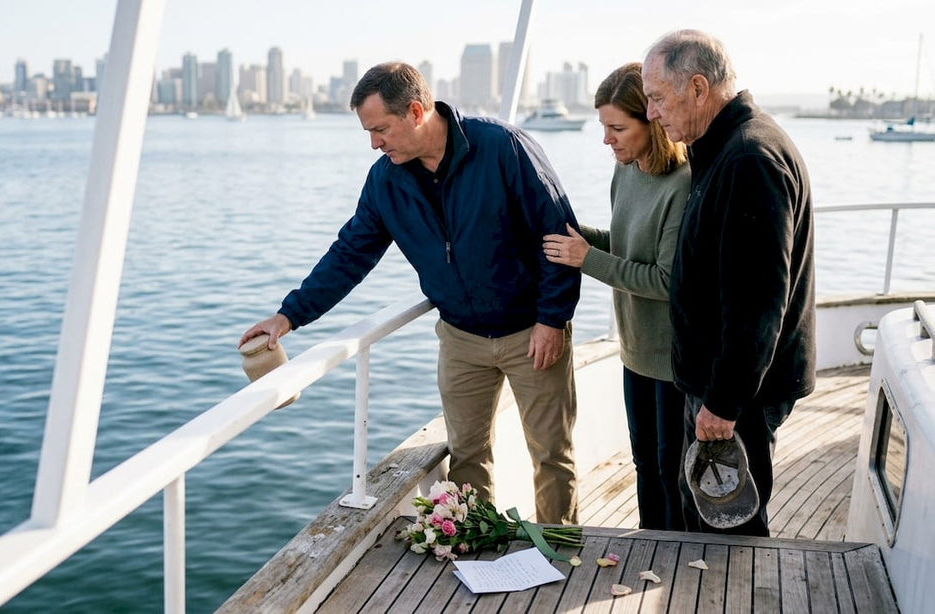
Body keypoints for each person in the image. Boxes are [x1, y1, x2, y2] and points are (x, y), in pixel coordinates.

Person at [239, 62, 583, 524]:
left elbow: (558, 235)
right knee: (467, 455)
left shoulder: (503, 147)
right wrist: (288, 317)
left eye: (380, 129)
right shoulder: (386, 180)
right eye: (368, 132)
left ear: (416, 112)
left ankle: (560, 549)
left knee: (551, 453)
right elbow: (349, 255)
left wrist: (551, 318)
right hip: (460, 340)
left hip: (532, 332)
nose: (374, 143)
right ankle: (475, 543)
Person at [641, 30, 816, 536]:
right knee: (704, 520)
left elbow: (758, 302)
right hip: (722, 383)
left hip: (737, 395)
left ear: (698, 88)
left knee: (727, 533)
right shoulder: (722, 148)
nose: (651, 113)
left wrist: (722, 402)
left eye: (657, 97)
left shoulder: (748, 159)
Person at [542, 62, 690, 531]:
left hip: (672, 359)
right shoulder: (625, 171)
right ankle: (650, 549)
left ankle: (678, 560)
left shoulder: (683, 184)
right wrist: (576, 238)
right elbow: (625, 246)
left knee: (671, 473)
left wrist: (585, 259)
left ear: (653, 120)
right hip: (633, 349)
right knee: (644, 465)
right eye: (603, 127)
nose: (607, 139)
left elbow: (666, 279)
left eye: (618, 128)